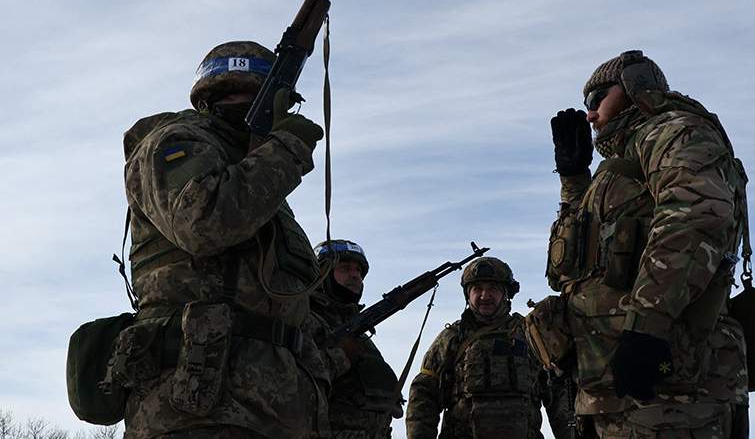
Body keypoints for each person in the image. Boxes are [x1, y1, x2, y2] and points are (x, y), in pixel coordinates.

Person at [114, 41, 330, 438]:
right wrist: (287, 149)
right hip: (201, 408)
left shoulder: (255, 180)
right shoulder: (174, 140)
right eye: (234, 94)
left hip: (280, 413)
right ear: (211, 98)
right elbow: (201, 223)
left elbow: (289, 302)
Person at [546, 50, 750, 438]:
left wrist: (646, 328)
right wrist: (574, 181)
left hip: (668, 391)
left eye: (597, 99)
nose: (590, 114)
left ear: (634, 87)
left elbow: (695, 216)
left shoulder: (674, 131)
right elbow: (580, 263)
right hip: (611, 390)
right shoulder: (622, 165)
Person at [406, 257, 572, 439]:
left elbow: (559, 395)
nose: (485, 296)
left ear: (506, 293)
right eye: (477, 289)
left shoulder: (532, 335)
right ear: (468, 295)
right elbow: (423, 395)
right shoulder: (451, 338)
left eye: (493, 288)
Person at [305, 239, 403, 439]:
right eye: (345, 268)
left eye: (358, 270)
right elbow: (292, 380)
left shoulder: (359, 333)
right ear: (321, 273)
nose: (355, 275)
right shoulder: (304, 319)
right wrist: (340, 355)